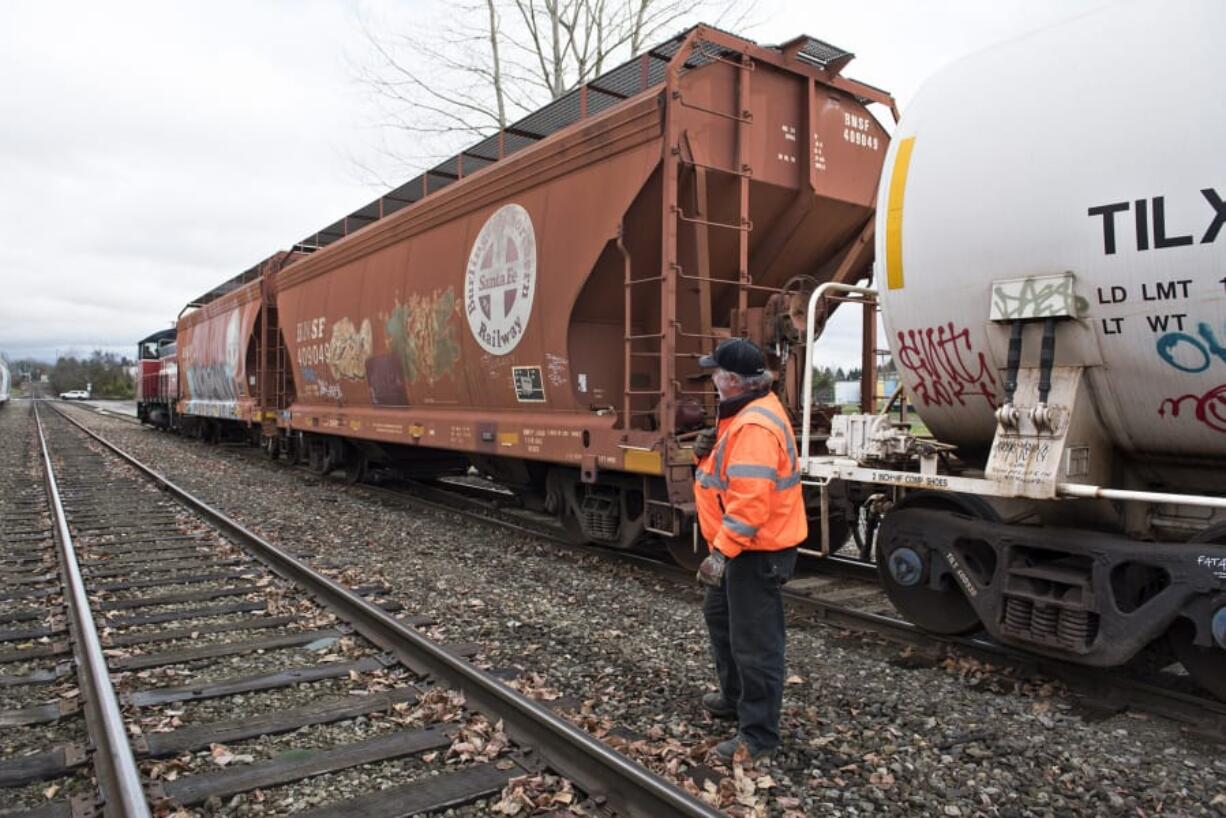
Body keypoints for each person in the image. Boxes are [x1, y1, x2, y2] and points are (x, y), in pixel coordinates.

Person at [692, 337, 807, 763]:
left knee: (755, 644)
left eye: (715, 373)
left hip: (753, 551)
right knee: (719, 617)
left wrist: (720, 554)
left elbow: (750, 503)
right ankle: (735, 697)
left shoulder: (754, 426)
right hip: (743, 547)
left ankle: (758, 736)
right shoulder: (742, 414)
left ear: (733, 380)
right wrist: (700, 455)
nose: (711, 379)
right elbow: (723, 479)